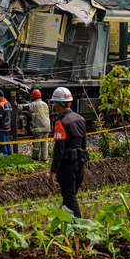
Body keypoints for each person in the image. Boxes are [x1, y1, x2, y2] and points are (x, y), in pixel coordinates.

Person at [47, 87, 88, 218]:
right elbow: (84, 144)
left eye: (54, 103)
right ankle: (66, 226)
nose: (54, 105)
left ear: (58, 104)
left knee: (70, 198)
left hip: (67, 167)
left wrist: (53, 172)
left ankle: (78, 227)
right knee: (69, 197)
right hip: (80, 164)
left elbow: (59, 150)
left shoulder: (61, 122)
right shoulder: (80, 119)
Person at [23, 89, 51, 161]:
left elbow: (25, 107)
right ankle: (44, 158)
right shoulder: (45, 104)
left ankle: (35, 157)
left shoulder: (34, 104)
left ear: (33, 97)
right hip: (47, 126)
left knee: (37, 144)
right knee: (45, 144)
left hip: (39, 127)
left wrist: (16, 105)